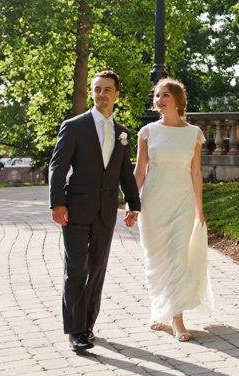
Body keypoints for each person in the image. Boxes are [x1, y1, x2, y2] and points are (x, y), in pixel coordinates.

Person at [49, 70, 141, 352]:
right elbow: (58, 166)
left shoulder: (123, 133)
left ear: (117, 95)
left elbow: (125, 172)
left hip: (105, 212)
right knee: (77, 269)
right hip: (74, 210)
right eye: (97, 89)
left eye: (107, 89)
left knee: (97, 270)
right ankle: (76, 331)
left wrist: (133, 204)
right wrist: (57, 203)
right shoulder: (74, 126)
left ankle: (88, 325)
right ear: (92, 92)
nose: (102, 94)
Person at [134, 78, 213, 341]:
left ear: (178, 100)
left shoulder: (193, 134)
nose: (159, 99)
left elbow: (196, 172)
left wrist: (199, 210)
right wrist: (131, 204)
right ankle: (159, 310)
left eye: (165, 94)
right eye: (157, 95)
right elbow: (140, 171)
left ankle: (178, 319)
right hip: (153, 202)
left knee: (177, 257)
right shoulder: (147, 132)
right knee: (155, 261)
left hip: (182, 203)